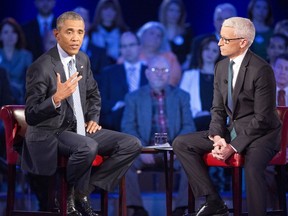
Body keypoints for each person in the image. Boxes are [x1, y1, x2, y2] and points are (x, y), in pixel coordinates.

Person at [21, 11, 142, 216]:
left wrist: (93, 119)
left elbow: (94, 94)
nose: (76, 38)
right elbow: (31, 115)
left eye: (80, 32)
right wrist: (56, 98)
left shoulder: (83, 59)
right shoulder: (41, 67)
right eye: (69, 32)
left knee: (131, 144)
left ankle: (80, 192)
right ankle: (68, 196)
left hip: (79, 128)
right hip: (51, 132)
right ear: (57, 35)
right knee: (88, 146)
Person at [172, 17, 281, 216]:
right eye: (220, 38)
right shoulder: (221, 67)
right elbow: (217, 109)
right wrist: (217, 136)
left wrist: (233, 146)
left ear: (243, 42)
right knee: (181, 143)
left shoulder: (261, 69)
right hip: (232, 131)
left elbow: (263, 118)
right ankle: (213, 200)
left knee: (253, 169)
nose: (219, 43)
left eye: (225, 39)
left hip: (261, 135)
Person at [121, 55, 196, 216]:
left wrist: (177, 148)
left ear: (169, 74)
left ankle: (181, 209)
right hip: (144, 151)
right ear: (147, 73)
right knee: (125, 162)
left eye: (164, 70)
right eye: (155, 69)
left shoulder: (182, 96)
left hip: (173, 152)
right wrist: (142, 149)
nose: (160, 73)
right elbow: (127, 127)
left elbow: (189, 126)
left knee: (191, 162)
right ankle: (137, 209)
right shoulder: (133, 98)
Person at [99, 31, 148, 131]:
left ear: (139, 47)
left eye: (131, 45)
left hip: (146, 122)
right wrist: (119, 105)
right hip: (116, 125)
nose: (128, 49)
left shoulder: (149, 72)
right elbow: (100, 100)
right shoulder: (108, 73)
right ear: (120, 49)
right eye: (124, 46)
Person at [189, 3, 237, 68]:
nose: (223, 23)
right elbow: (193, 68)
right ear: (214, 22)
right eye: (219, 19)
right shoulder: (199, 42)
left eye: (227, 19)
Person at [136, 21, 182, 86]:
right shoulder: (131, 55)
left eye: (159, 36)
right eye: (152, 33)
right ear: (142, 34)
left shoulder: (170, 57)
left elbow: (174, 80)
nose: (155, 37)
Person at [73, 6, 111, 82]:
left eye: (84, 20)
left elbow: (105, 79)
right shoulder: (62, 51)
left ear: (89, 25)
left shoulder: (100, 53)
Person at [0, 17, 33, 105]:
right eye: (6, 32)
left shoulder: (26, 55)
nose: (10, 35)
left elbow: (30, 80)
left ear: (18, 35)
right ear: (1, 36)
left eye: (13, 32)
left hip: (19, 96)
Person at [158, 0, 193, 71]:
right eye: (171, 10)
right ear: (164, 11)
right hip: (160, 70)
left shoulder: (187, 31)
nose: (174, 14)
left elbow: (191, 53)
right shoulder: (157, 31)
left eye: (178, 11)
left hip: (183, 70)